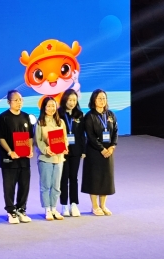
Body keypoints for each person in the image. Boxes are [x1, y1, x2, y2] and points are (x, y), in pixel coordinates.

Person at [0, 90, 34, 224]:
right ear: (9, 102)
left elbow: (30, 136)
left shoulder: (26, 116)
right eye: (16, 100)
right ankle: (11, 211)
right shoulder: (3, 117)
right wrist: (10, 151)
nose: (19, 102)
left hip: (24, 159)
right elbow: (0, 137)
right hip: (9, 159)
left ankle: (21, 209)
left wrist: (30, 149)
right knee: (9, 186)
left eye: (20, 100)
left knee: (24, 185)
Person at [81, 89, 118, 216]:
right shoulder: (89, 116)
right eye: (99, 98)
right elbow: (90, 136)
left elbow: (115, 132)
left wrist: (112, 146)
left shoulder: (110, 115)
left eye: (104, 98)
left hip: (108, 152)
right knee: (94, 178)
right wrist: (102, 149)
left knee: (106, 178)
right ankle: (95, 206)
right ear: (94, 100)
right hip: (94, 151)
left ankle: (103, 205)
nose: (102, 101)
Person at [35, 96, 68, 220]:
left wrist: (65, 147)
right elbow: (38, 140)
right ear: (44, 107)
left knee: (56, 186)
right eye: (48, 106)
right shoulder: (40, 123)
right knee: (46, 185)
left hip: (59, 158)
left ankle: (54, 208)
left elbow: (64, 138)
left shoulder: (61, 122)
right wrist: (46, 149)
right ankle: (47, 209)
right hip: (46, 158)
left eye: (53, 106)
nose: (51, 108)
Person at [59, 88, 86, 217]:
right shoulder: (58, 114)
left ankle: (74, 204)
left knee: (73, 177)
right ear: (65, 100)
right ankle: (64, 204)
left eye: (74, 100)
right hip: (62, 151)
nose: (72, 103)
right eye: (69, 100)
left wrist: (83, 150)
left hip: (76, 151)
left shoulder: (79, 115)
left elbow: (82, 134)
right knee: (63, 178)